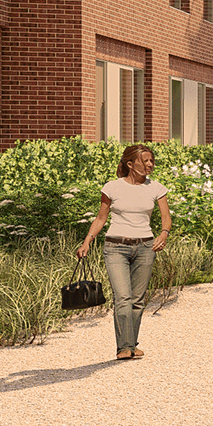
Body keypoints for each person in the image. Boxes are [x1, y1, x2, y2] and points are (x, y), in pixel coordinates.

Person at [78, 145, 173, 361]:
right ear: (130, 164)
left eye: (152, 161)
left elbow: (166, 217)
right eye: (145, 161)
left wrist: (164, 233)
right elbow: (101, 218)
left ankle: (130, 344)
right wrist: (87, 242)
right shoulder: (112, 187)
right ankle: (124, 347)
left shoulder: (157, 188)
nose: (150, 165)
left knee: (138, 300)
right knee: (123, 297)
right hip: (115, 247)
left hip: (145, 247)